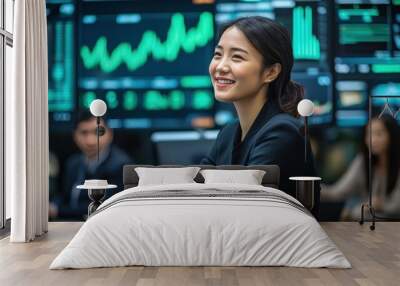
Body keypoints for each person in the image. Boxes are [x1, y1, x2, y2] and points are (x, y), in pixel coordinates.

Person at [200, 17, 317, 203]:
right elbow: (196, 191)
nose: (221, 66)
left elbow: (242, 204)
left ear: (271, 72)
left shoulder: (282, 132)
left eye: (237, 57)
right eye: (217, 55)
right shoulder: (228, 133)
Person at [50, 111, 132, 220]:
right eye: (84, 133)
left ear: (110, 134)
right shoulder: (73, 163)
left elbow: (103, 207)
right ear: (75, 135)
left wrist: (58, 210)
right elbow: (64, 196)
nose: (90, 141)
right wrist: (52, 205)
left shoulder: (121, 165)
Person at [322, 115, 400, 220]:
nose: (373, 140)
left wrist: (376, 205)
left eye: (379, 134)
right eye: (369, 134)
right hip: (369, 224)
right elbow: (338, 192)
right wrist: (310, 188)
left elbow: (395, 207)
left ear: (392, 135)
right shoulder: (362, 161)